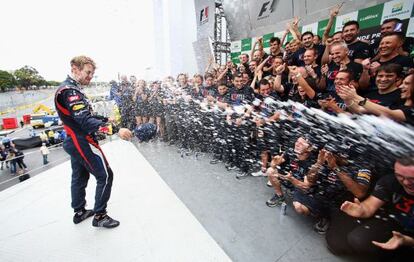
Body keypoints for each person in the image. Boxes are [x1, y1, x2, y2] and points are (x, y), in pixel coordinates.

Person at [54, 56, 133, 229]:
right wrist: (114, 129)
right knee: (105, 176)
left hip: (72, 140)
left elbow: (82, 116)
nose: (90, 76)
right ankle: (100, 215)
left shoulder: (69, 88)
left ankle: (79, 211)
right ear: (75, 68)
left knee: (79, 175)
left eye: (92, 73)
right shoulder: (71, 91)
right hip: (81, 140)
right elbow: (85, 121)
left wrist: (105, 118)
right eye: (88, 72)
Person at [326, 157, 414, 260]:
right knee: (337, 242)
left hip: (410, 236)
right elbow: (369, 207)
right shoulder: (390, 181)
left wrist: (406, 240)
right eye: (400, 176)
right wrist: (361, 210)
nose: (406, 182)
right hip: (392, 222)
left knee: (360, 240)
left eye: (412, 178)